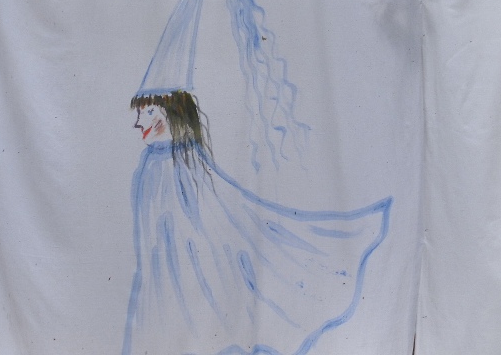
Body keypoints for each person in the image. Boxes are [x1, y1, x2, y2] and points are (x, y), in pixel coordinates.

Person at [122, 90, 391, 355]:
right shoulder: (152, 166)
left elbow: (216, 217)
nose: (139, 122)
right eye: (140, 112)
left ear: (175, 114)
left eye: (149, 112)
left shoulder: (184, 164)